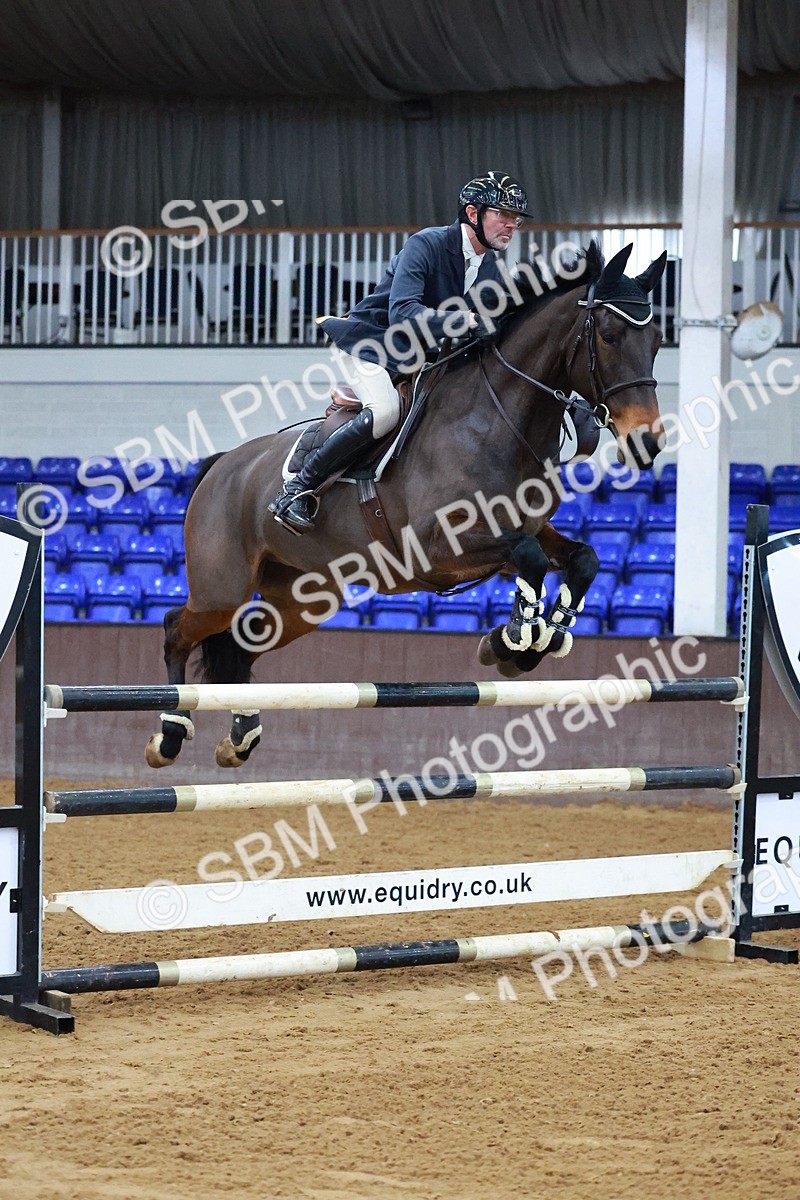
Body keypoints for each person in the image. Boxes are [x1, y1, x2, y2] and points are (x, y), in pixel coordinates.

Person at [270, 171, 532, 533]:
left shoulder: (490, 267)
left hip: (420, 358)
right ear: (473, 214)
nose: (511, 225)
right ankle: (298, 488)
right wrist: (466, 320)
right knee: (385, 412)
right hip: (373, 343)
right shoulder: (426, 244)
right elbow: (403, 311)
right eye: (502, 215)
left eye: (515, 219)